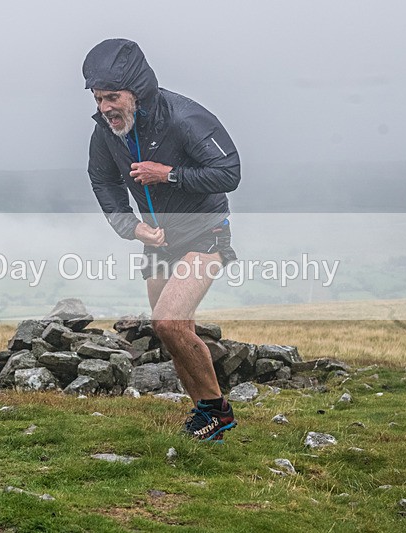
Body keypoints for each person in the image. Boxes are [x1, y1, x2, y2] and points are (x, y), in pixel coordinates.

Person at [83, 39, 241, 441]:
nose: (105, 108)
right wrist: (130, 227)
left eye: (112, 97)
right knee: (173, 330)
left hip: (206, 231)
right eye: (99, 98)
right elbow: (103, 179)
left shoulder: (184, 117)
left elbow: (229, 172)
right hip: (157, 240)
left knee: (168, 321)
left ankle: (217, 413)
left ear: (137, 91)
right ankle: (205, 419)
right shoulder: (107, 130)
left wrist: (168, 174)